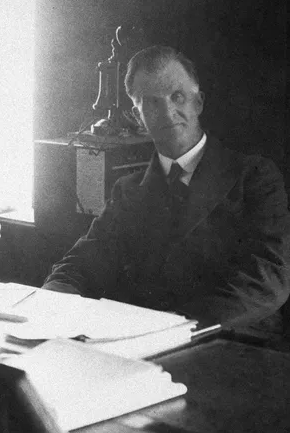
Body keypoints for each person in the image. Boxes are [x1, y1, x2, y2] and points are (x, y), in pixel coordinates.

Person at [43, 45, 290, 328]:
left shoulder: (254, 177)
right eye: (151, 102)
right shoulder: (129, 190)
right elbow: (85, 260)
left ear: (199, 103)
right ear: (138, 117)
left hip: (234, 344)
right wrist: (53, 298)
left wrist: (179, 326)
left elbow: (269, 279)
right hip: (146, 344)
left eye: (178, 97)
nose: (167, 112)